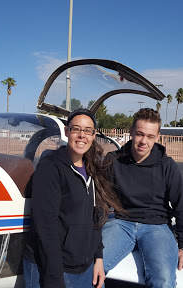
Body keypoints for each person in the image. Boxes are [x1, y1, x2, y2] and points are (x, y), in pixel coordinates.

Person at [23, 109, 124, 288]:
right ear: (66, 131)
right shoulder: (51, 168)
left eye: (87, 131)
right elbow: (46, 227)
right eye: (76, 129)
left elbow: (96, 218)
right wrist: (54, 279)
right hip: (51, 268)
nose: (81, 136)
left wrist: (98, 258)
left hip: (83, 268)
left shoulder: (93, 170)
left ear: (93, 136)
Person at [102, 108, 183, 288]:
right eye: (139, 134)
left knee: (163, 280)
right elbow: (98, 199)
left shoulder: (167, 166)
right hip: (122, 223)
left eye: (150, 136)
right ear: (131, 131)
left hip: (157, 226)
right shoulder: (113, 160)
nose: (143, 141)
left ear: (157, 137)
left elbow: (182, 206)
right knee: (90, 267)